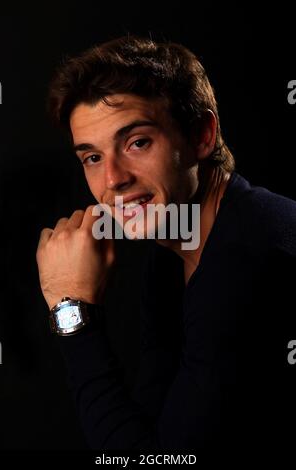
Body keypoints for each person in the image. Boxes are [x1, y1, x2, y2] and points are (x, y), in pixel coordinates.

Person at [36, 36, 296, 461]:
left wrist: (71, 308)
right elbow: (153, 429)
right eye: (92, 157)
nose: (113, 180)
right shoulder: (173, 251)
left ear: (201, 136)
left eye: (137, 142)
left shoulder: (250, 260)